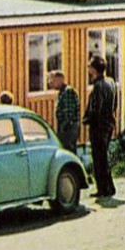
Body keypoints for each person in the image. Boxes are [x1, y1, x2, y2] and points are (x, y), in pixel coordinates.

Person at [83, 55, 117, 199]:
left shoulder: (98, 86)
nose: (88, 68)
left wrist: (87, 119)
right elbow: (114, 104)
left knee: (99, 158)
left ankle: (103, 189)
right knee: (103, 156)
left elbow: (96, 108)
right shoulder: (110, 82)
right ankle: (109, 187)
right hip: (109, 123)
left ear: (94, 69)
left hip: (99, 126)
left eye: (90, 66)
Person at [51, 70, 80, 153]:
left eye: (53, 81)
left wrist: (62, 131)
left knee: (69, 151)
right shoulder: (62, 92)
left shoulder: (68, 92)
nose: (51, 84)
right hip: (65, 128)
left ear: (60, 80)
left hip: (68, 130)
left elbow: (69, 114)